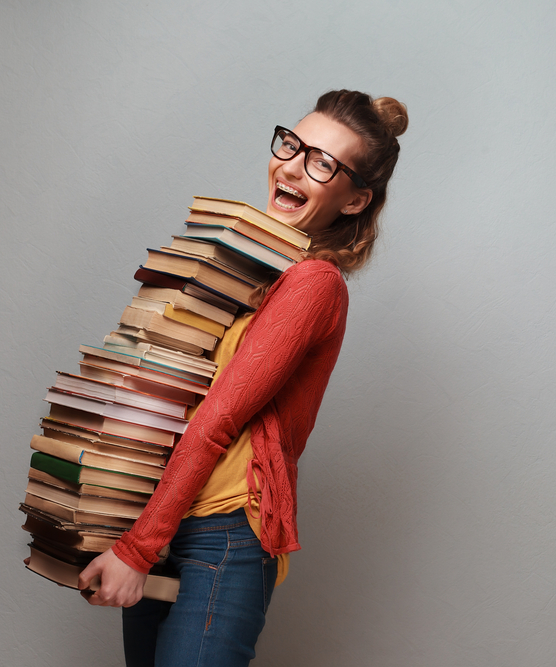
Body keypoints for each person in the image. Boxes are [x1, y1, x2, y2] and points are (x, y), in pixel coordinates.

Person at [76, 89, 408, 667]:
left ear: (355, 201)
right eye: (292, 144)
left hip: (223, 535)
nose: (292, 166)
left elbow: (218, 416)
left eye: (323, 162)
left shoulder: (313, 285)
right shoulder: (247, 264)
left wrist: (137, 548)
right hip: (164, 513)